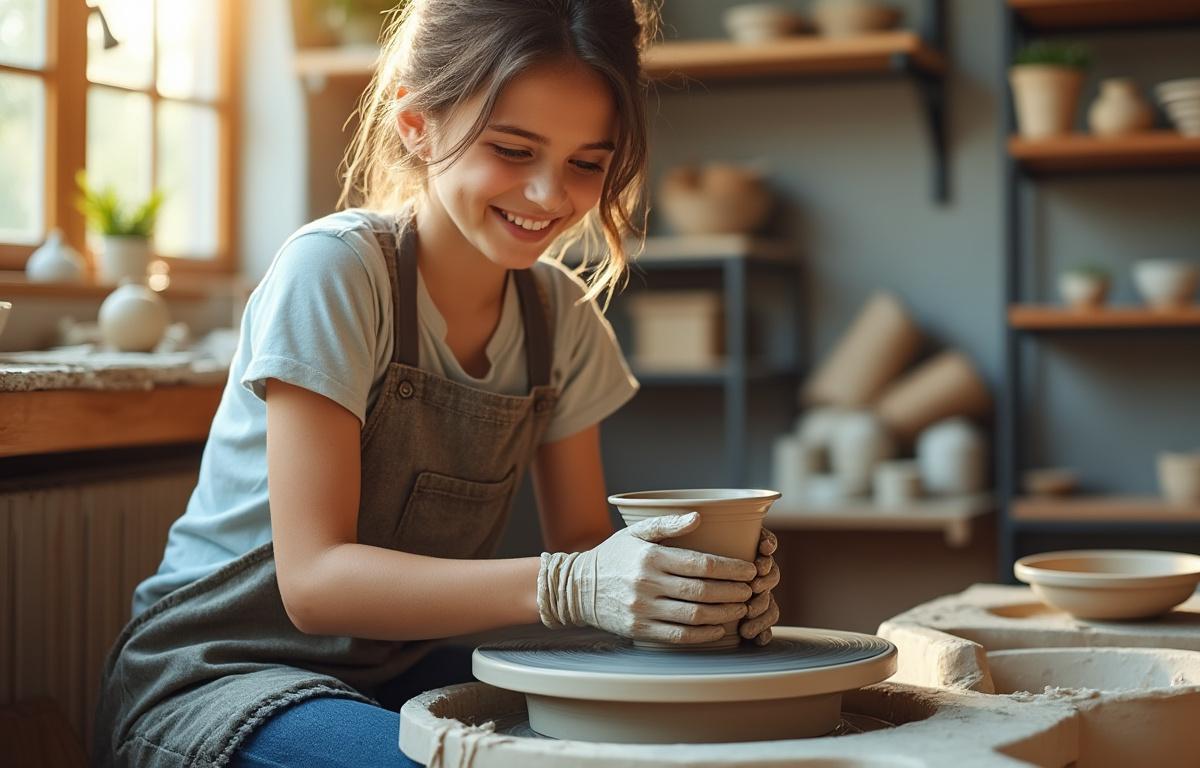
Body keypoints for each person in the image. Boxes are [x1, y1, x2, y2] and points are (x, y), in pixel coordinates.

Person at [92, 2, 781, 766]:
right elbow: (315, 584)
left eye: (587, 163)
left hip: (391, 673)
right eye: (513, 150)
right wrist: (574, 586)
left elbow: (585, 546)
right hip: (218, 677)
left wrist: (690, 591)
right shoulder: (336, 272)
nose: (550, 195)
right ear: (417, 124)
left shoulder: (561, 318)